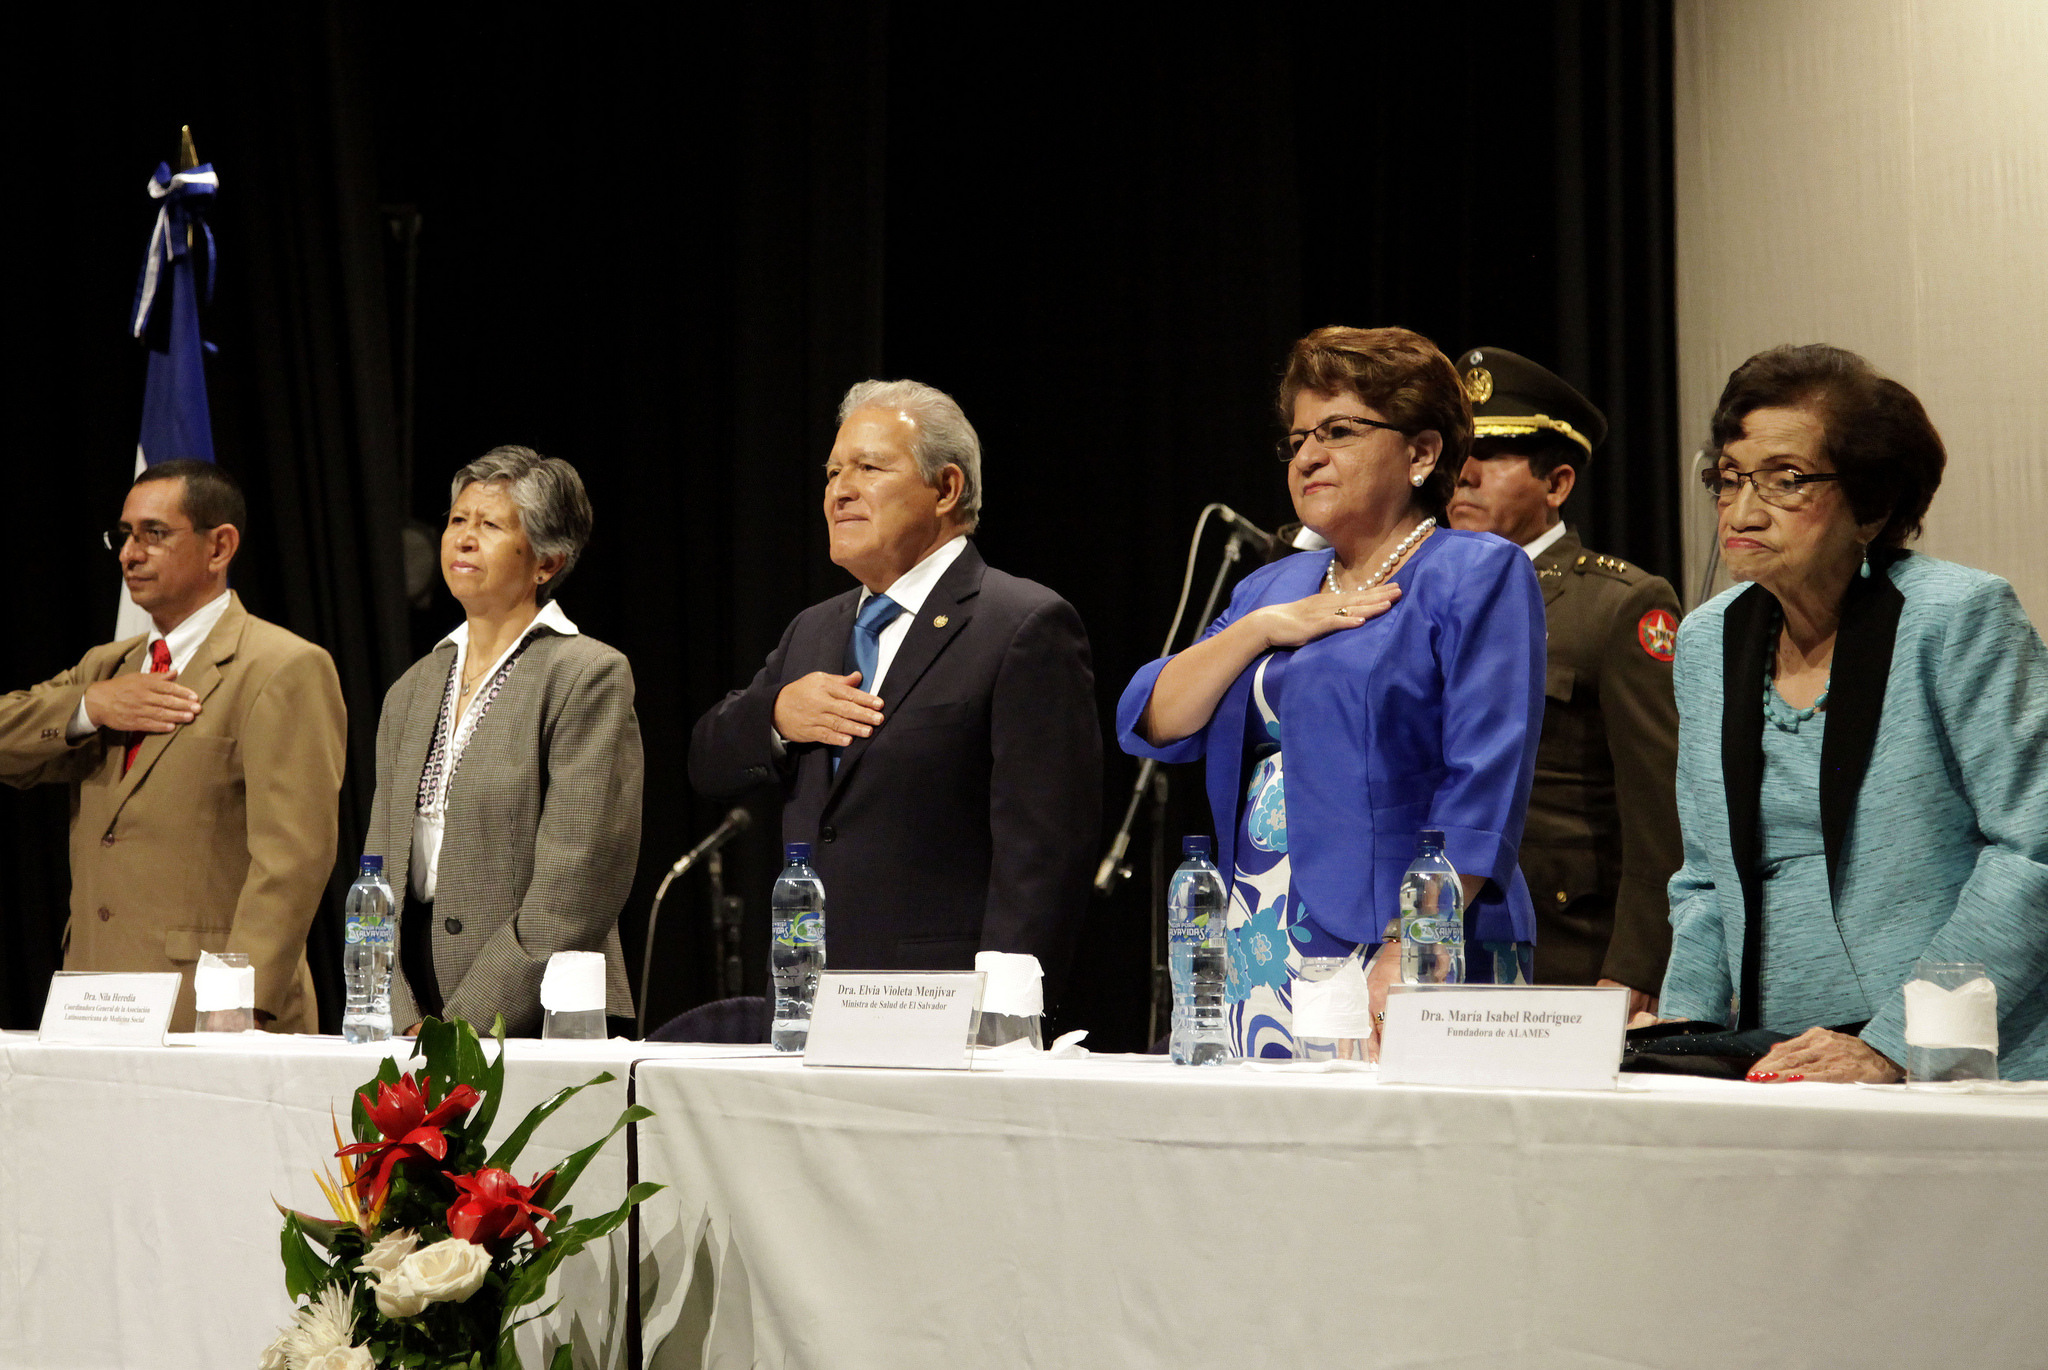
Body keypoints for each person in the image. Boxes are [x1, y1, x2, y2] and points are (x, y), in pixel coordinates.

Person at [1117, 326, 1545, 1059]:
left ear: (1421, 453)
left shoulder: (1477, 572)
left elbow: (1484, 782)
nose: (1308, 456)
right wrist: (1261, 628)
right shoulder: (1271, 587)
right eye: (1297, 440)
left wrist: (1411, 950)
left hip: (1411, 937)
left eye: (1339, 431)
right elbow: (1152, 717)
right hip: (1258, 934)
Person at [1662, 344, 2048, 1082]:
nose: (1742, 511)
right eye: (1730, 478)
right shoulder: (1709, 640)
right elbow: (1704, 879)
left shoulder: (1957, 618)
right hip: (1781, 1057)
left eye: (1787, 480)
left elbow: (2034, 853)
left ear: (1871, 506)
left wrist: (1896, 1044)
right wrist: (1686, 1038)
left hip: (1958, 1065)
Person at [689, 380, 1101, 993]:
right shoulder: (814, 630)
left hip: (941, 1002)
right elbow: (708, 761)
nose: (839, 491)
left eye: (869, 467)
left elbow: (1045, 856)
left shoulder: (1021, 624)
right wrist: (776, 714)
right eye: (833, 473)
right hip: (806, 996)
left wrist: (1001, 1014)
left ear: (947, 489)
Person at [0, 459, 345, 1033]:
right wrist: (89, 707)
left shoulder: (282, 667)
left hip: (210, 1008)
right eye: (124, 535)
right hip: (94, 1000)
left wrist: (242, 999)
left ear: (219, 547)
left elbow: (294, 857)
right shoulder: (106, 668)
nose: (129, 555)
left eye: (153, 534)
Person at [364, 446, 642, 1036]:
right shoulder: (409, 690)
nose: (464, 539)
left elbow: (578, 885)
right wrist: (397, 1012)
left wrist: (461, 1027)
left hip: (539, 1009)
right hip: (409, 1000)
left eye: (490, 525)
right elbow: (377, 871)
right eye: (457, 520)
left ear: (546, 562)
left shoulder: (585, 674)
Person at [1446, 346, 1682, 1015]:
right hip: (1434, 939)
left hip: (1566, 950)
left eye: (1494, 454)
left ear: (1557, 484)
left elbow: (1661, 811)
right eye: (1459, 451)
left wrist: (1636, 968)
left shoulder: (1618, 605)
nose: (1465, 473)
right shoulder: (1417, 594)